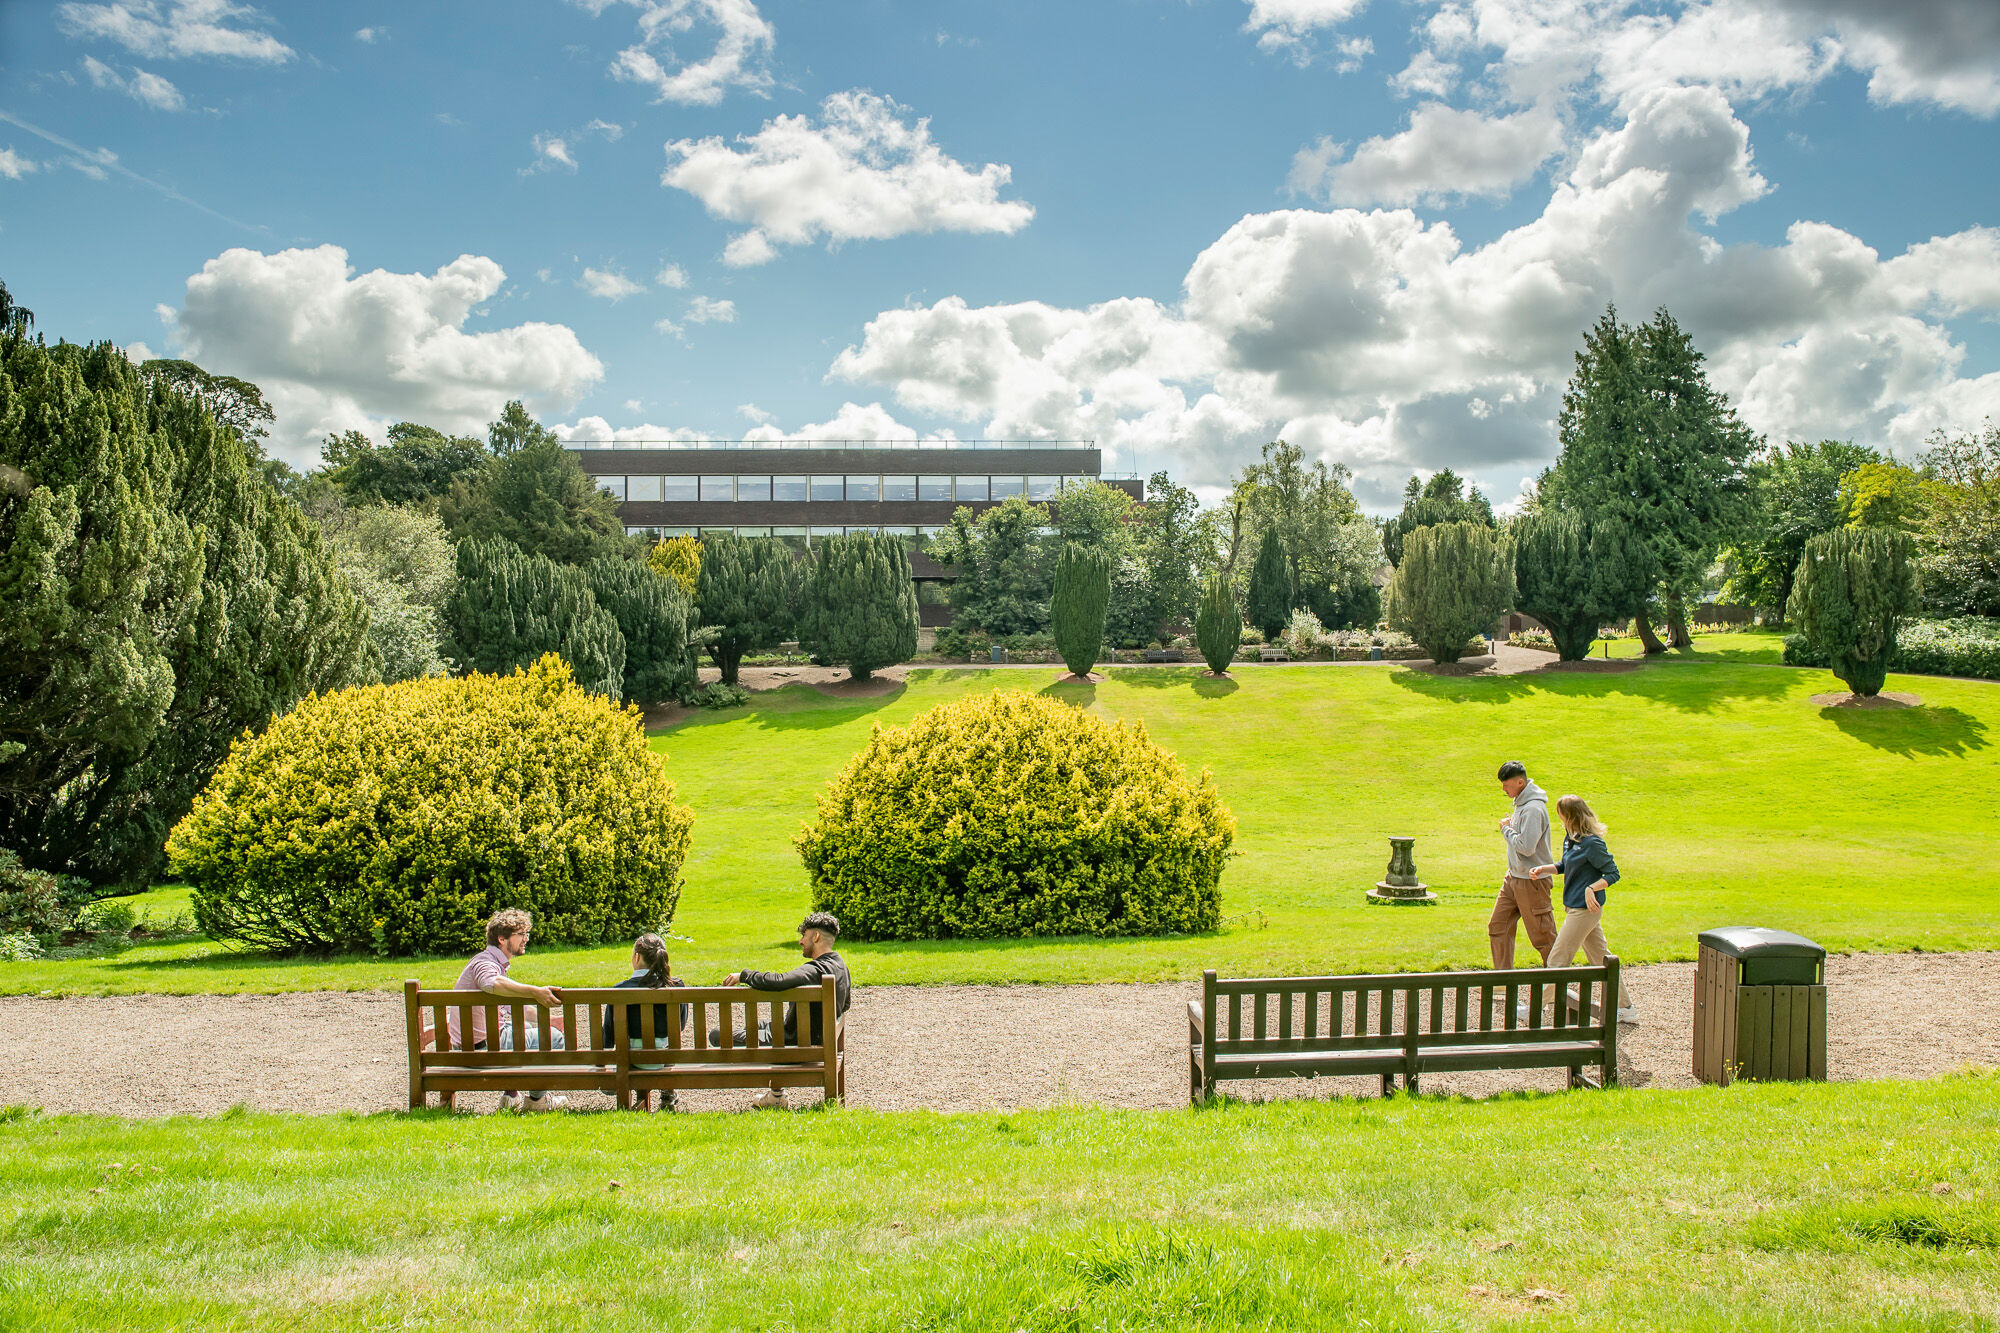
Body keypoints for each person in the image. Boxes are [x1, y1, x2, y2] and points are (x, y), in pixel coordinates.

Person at [713, 911, 852, 1110]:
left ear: (816, 936)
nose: (800, 941)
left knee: (717, 1035)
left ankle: (776, 1094)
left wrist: (743, 975)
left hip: (794, 1044)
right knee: (758, 1025)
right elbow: (845, 1006)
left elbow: (779, 981)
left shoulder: (815, 970)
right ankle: (776, 1095)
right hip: (819, 1041)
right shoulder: (841, 967)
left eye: (804, 935)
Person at [447, 907, 569, 1112]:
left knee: (525, 1026)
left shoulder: (487, 961)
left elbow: (510, 1009)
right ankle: (537, 1102)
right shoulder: (485, 964)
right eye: (521, 934)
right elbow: (489, 983)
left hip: (469, 1047)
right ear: (502, 939)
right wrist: (534, 991)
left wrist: (547, 1018)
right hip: (483, 1051)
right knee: (554, 1037)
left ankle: (511, 1095)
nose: (526, 939)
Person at [1530, 795, 1638, 1024]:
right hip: (1574, 908)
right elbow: (1564, 865)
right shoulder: (1570, 839)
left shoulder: (1593, 844)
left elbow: (1613, 873)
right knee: (1602, 958)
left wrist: (1592, 887)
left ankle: (1536, 1008)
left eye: (1561, 813)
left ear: (1570, 816)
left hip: (1585, 910)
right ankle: (1626, 1007)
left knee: (1558, 957)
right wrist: (1543, 869)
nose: (1558, 817)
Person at [602, 932, 689, 1112]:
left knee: (627, 1049)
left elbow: (609, 1035)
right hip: (664, 1059)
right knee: (667, 1044)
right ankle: (667, 1090)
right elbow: (679, 1026)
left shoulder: (619, 990)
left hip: (630, 1059)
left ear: (636, 957)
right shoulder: (676, 986)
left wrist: (600, 1063)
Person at [1490, 760, 1557, 971]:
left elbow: (1526, 847)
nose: (1503, 789)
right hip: (1514, 877)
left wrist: (1506, 830)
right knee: (1498, 926)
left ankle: (1557, 980)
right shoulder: (1520, 802)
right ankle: (1503, 981)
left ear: (1520, 782)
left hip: (1532, 880)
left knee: (1543, 937)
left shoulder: (1533, 809)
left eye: (1506, 784)